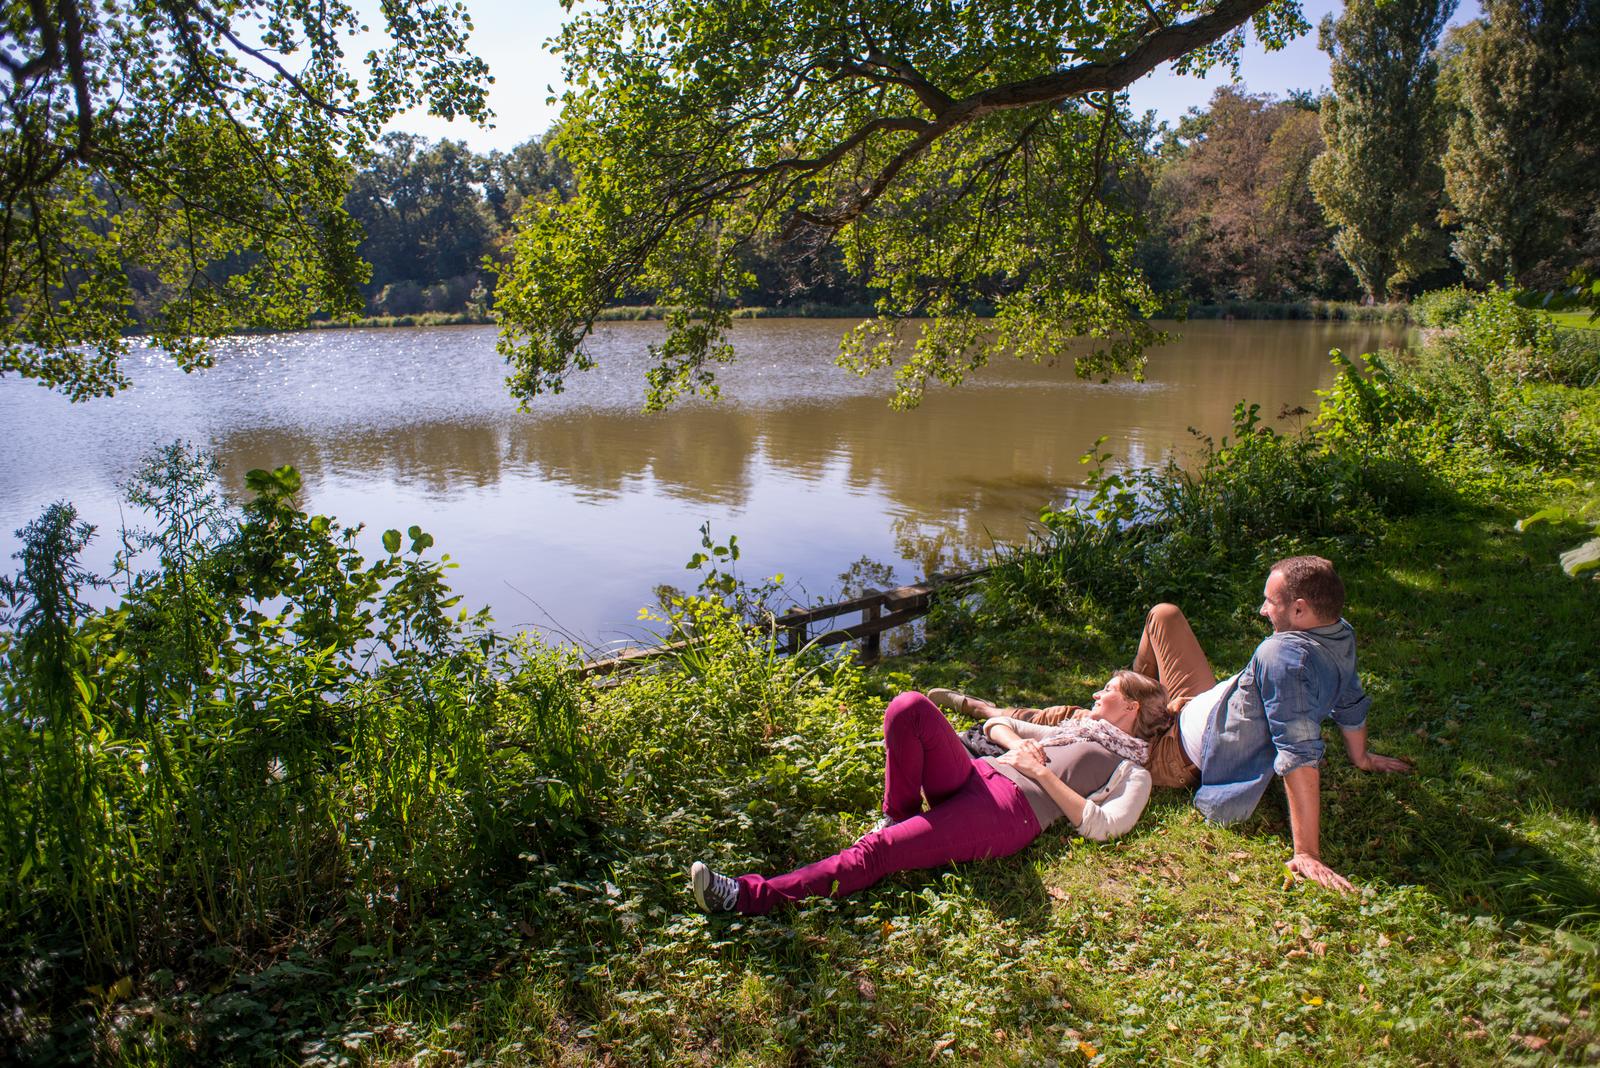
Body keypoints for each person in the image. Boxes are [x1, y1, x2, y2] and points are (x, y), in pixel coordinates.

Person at [946, 555, 1409, 891]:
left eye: (1270, 603)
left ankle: (991, 711)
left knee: (1074, 718)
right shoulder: (1339, 631)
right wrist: (1361, 756)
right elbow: (1351, 699)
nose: (1263, 611)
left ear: (1302, 609)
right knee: (1162, 615)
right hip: (1193, 705)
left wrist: (1306, 852)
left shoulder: (1283, 656)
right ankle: (1127, 701)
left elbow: (1298, 752)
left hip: (1179, 753)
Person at [689, 671, 1171, 915]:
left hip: (1009, 812)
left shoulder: (1132, 771)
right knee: (908, 707)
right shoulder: (1075, 729)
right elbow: (999, 723)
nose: (1094, 697)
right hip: (980, 773)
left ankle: (743, 897)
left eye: (1105, 691)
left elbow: (1104, 827)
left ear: (1128, 705)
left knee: (877, 853)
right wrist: (1019, 744)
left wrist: (1040, 775)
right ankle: (896, 816)